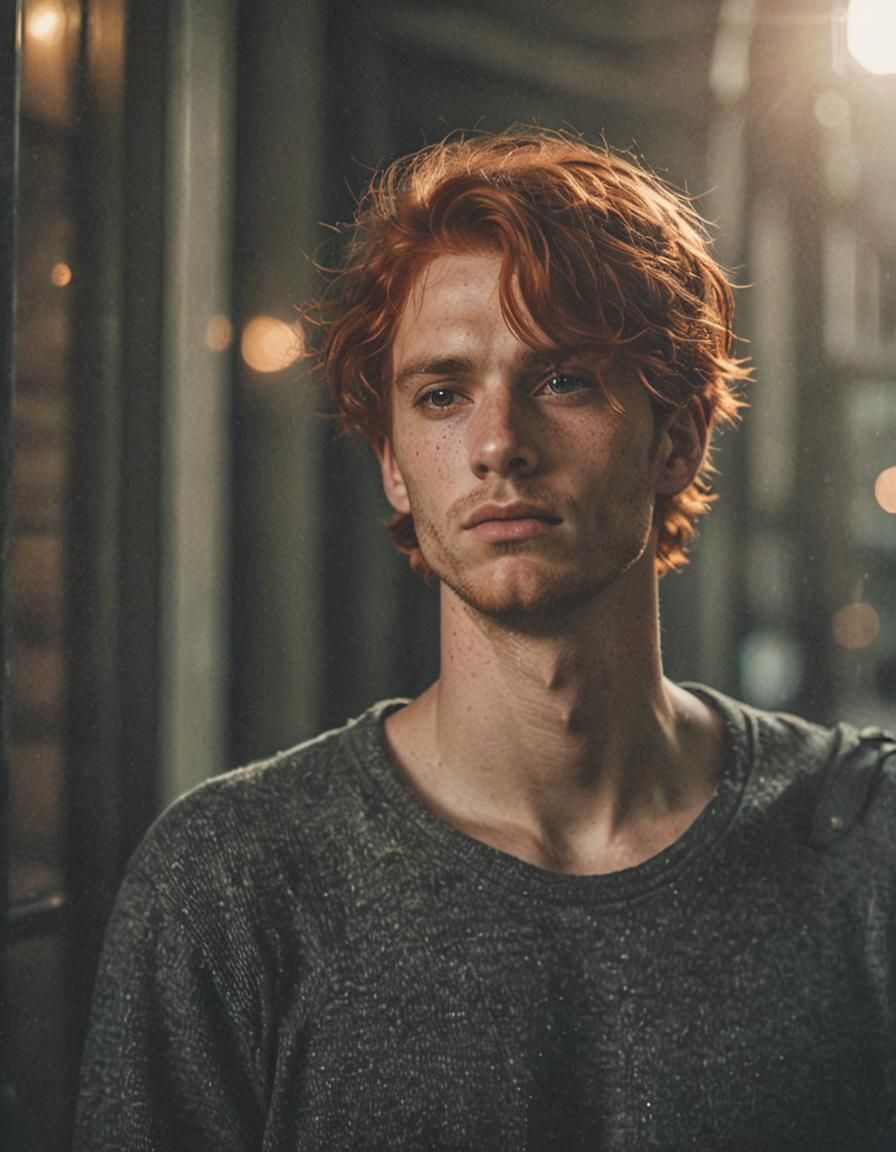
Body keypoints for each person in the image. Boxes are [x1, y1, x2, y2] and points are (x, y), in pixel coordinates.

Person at [74, 128, 896, 1150]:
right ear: (391, 463)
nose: (498, 443)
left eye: (562, 380)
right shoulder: (237, 881)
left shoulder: (863, 842)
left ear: (674, 438)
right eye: (440, 395)